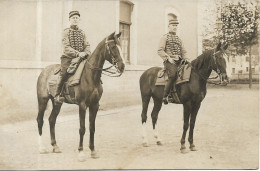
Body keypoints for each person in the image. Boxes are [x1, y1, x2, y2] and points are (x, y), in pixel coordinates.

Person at [54, 11, 91, 104]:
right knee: (64, 73)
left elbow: (87, 45)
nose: (75, 19)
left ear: (79, 20)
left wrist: (86, 52)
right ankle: (58, 95)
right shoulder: (66, 32)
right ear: (70, 20)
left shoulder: (83, 33)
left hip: (81, 58)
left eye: (77, 18)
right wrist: (78, 53)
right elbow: (66, 47)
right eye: (73, 18)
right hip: (68, 58)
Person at [157, 17, 188, 105]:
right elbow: (160, 50)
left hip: (179, 61)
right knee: (173, 74)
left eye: (176, 26)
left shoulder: (179, 39)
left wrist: (186, 59)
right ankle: (166, 95)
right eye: (173, 25)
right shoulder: (164, 38)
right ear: (169, 26)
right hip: (169, 62)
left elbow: (184, 51)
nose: (175, 27)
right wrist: (168, 57)